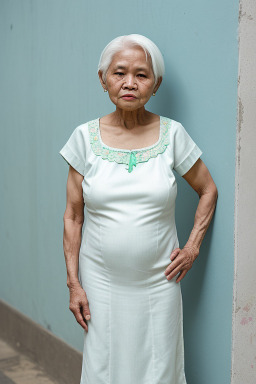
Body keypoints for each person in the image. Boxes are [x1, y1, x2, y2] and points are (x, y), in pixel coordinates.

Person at [59, 34, 218, 384]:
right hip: (100, 279)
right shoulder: (84, 139)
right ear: (104, 80)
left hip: (158, 280)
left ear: (155, 84)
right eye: (120, 73)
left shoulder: (172, 135)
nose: (130, 83)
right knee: (104, 367)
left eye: (142, 75)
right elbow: (73, 216)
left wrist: (191, 248)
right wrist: (74, 284)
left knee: (160, 367)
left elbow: (208, 190)